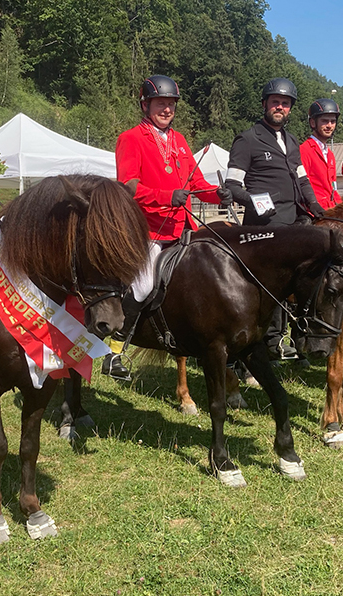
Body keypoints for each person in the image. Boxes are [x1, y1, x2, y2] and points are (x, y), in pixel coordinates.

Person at [103, 74, 232, 380]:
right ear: (146, 104)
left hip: (183, 227)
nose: (166, 109)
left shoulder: (180, 141)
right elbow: (128, 185)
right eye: (160, 103)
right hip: (148, 228)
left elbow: (196, 184)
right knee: (145, 284)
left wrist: (217, 194)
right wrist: (166, 196)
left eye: (171, 104)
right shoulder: (131, 138)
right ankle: (114, 351)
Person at [224, 77, 324, 362]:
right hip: (264, 226)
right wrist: (253, 199)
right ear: (265, 104)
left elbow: (302, 179)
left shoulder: (292, 141)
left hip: (293, 220)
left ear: (291, 109)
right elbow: (232, 186)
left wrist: (315, 206)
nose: (280, 107)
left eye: (285, 103)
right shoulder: (248, 139)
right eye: (275, 102)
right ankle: (273, 342)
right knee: (276, 284)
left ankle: (301, 336)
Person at [299, 98, 342, 210]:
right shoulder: (304, 150)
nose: (329, 125)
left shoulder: (330, 154)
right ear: (313, 122)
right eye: (324, 121)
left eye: (332, 121)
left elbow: (333, 188)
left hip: (331, 210)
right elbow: (301, 186)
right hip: (314, 211)